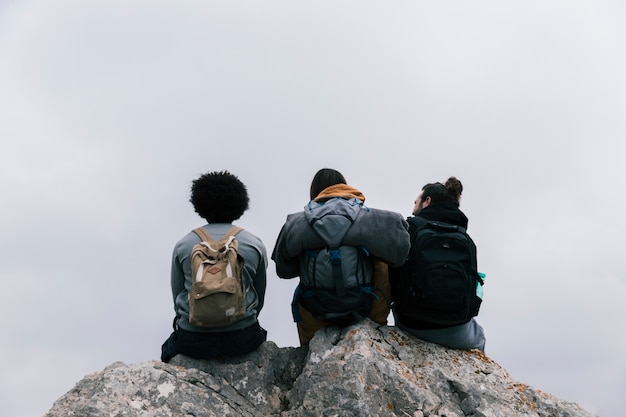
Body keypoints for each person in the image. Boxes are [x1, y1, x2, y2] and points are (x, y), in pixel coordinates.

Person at [272, 168, 410, 346]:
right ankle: (377, 330)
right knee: (380, 262)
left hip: (316, 310)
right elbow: (399, 256)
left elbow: (284, 270)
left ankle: (308, 349)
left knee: (303, 275)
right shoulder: (371, 219)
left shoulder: (295, 224)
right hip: (365, 307)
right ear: (345, 187)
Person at [161, 170, 268, 362]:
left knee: (167, 349)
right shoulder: (254, 244)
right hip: (242, 337)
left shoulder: (183, 245)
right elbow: (259, 294)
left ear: (198, 204)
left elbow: (178, 296)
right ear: (241, 204)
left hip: (194, 339)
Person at [390, 177, 486, 352]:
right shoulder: (465, 238)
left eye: (416, 201)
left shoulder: (410, 229)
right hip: (456, 326)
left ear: (427, 201)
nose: (414, 205)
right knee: (480, 335)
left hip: (412, 323)